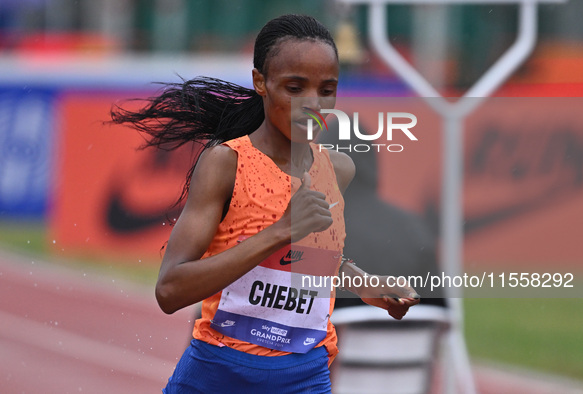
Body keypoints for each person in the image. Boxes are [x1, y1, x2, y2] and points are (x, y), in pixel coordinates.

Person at [111, 14, 420, 394]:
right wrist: (279, 232)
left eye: (327, 90)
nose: (313, 104)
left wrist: (365, 283)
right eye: (295, 87)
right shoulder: (226, 163)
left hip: (304, 376)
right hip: (218, 375)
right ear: (261, 82)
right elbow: (170, 290)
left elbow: (306, 259)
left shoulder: (337, 170)